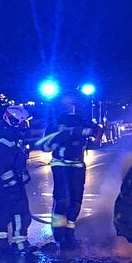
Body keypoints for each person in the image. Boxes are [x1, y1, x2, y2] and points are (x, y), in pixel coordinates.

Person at [38, 97, 96, 251]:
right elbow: (44, 146)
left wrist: (93, 131)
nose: (77, 109)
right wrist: (65, 135)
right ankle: (59, 235)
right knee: (62, 199)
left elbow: (95, 139)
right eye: (75, 105)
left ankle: (70, 231)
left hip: (78, 165)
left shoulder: (84, 123)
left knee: (76, 200)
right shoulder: (56, 124)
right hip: (61, 165)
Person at [0, 104, 35, 255]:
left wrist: (23, 173)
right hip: (8, 182)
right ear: (13, 120)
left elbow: (15, 159)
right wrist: (13, 183)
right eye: (23, 121)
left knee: (2, 212)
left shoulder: (11, 135)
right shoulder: (5, 137)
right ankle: (20, 246)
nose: (25, 125)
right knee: (20, 213)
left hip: (5, 182)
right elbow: (2, 164)